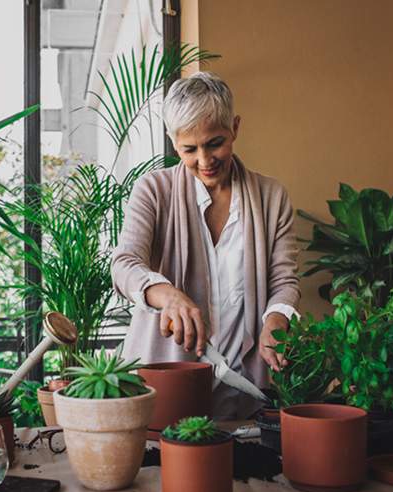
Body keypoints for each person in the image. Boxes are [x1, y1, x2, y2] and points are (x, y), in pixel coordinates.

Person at [111, 71, 300, 419]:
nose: (204, 160)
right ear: (173, 142)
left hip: (243, 384)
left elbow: (284, 281)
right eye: (189, 149)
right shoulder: (153, 191)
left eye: (215, 143)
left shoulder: (272, 197)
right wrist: (167, 294)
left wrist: (276, 319)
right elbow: (124, 263)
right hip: (165, 381)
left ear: (235, 128)